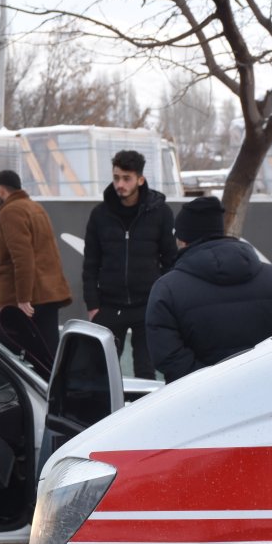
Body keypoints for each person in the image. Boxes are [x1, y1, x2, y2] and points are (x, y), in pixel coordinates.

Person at [146, 196, 272, 382]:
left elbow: (167, 356)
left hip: (197, 400)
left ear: (182, 240)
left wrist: (209, 381)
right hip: (270, 392)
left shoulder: (166, 289)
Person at [82, 150, 177, 380]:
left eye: (126, 178)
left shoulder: (160, 212)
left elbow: (171, 260)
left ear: (140, 179)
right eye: (116, 178)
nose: (120, 184)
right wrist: (93, 305)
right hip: (109, 306)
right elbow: (90, 263)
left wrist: (163, 299)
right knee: (103, 372)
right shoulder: (99, 214)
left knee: (146, 371)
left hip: (147, 304)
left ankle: (146, 416)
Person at [0, 170, 72, 353]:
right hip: (46, 294)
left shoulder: (11, 211)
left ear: (0, 190)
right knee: (48, 355)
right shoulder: (34, 207)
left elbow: (23, 257)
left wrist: (23, 299)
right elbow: (37, 251)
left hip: (26, 301)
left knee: (4, 354)